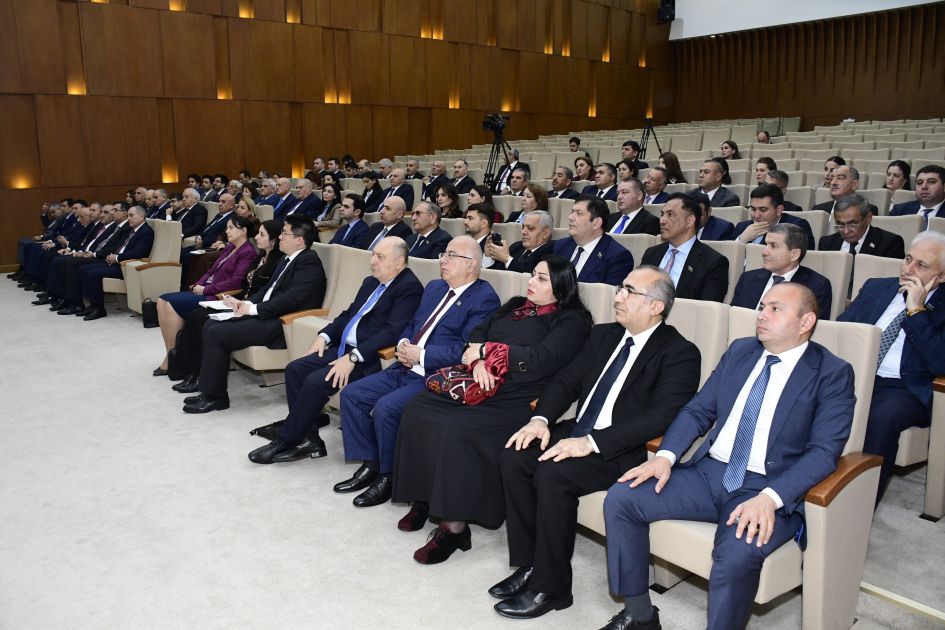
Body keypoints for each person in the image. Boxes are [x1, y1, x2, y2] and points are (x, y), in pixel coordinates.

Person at [600, 282, 855, 630]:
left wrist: (770, 499)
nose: (762, 315)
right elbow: (698, 411)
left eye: (775, 309)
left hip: (766, 486)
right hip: (708, 474)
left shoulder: (832, 373)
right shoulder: (740, 351)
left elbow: (824, 452)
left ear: (806, 321)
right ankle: (640, 615)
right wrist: (665, 458)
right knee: (622, 498)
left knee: (736, 554)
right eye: (762, 307)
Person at [490, 266, 700, 619]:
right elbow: (566, 382)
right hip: (580, 430)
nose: (618, 296)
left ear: (656, 307)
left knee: (553, 474)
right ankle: (530, 565)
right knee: (516, 453)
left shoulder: (680, 352)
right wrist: (541, 420)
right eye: (620, 287)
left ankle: (552, 588)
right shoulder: (604, 335)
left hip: (621, 449)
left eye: (629, 291)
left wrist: (591, 442)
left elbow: (661, 417)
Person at [393, 256, 594, 565]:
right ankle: (426, 498)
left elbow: (541, 359)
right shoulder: (515, 305)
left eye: (542, 279)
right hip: (477, 381)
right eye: (532, 275)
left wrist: (488, 352)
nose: (531, 282)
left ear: (561, 287)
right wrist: (477, 362)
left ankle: (454, 528)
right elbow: (477, 333)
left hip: (519, 396)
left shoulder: (572, 321)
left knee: (456, 429)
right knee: (418, 408)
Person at [334, 236, 501, 507]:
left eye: (451, 255)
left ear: (471, 265)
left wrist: (421, 355)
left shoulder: (484, 298)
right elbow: (413, 324)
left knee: (387, 408)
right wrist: (403, 344)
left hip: (433, 375)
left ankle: (389, 477)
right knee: (352, 395)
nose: (443, 260)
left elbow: (466, 350)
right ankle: (372, 463)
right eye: (443, 254)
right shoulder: (435, 287)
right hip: (404, 365)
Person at [247, 237, 424, 464]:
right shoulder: (371, 282)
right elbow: (348, 314)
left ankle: (286, 440)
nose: (372, 261)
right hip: (343, 348)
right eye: (373, 255)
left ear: (399, 262)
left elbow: (392, 332)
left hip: (367, 358)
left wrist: (353, 357)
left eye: (380, 257)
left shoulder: (409, 288)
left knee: (314, 382)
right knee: (295, 369)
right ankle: (309, 440)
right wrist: (325, 336)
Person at [181, 215, 327, 413]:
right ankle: (209, 391)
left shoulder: (309, 261)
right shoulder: (287, 259)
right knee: (210, 324)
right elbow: (267, 289)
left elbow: (292, 299)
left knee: (216, 332)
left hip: (283, 323)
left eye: (284, 233)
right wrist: (246, 302)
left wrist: (253, 309)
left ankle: (216, 397)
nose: (280, 237)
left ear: (299, 239)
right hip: (268, 314)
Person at [839, 231, 945, 500]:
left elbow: (940, 362)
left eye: (921, 265)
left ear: (942, 276)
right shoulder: (877, 287)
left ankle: (859, 505)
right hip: (857, 372)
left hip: (905, 387)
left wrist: (916, 310)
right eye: (908, 259)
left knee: (880, 417)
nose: (908, 270)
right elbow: (841, 329)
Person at [171, 220, 285, 393]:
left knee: (202, 320)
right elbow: (245, 285)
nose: (256, 237)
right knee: (195, 315)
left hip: (252, 306)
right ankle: (188, 371)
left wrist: (243, 302)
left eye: (262, 234)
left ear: (274, 240)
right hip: (242, 301)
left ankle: (198, 375)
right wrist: (233, 298)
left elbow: (264, 293)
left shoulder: (277, 262)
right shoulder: (261, 257)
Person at [154, 215, 258, 376]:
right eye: (227, 227)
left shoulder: (248, 252)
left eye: (231, 228)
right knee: (162, 301)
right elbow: (211, 271)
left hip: (216, 295)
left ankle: (173, 359)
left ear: (243, 231)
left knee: (169, 303)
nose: (227, 231)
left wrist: (205, 290)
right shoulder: (230, 247)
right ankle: (172, 354)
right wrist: (198, 284)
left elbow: (235, 282)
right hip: (206, 289)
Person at [731, 223, 833, 319]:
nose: (764, 251)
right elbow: (732, 316)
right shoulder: (748, 278)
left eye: (773, 246)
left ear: (794, 255)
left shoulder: (816, 286)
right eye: (766, 244)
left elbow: (810, 326)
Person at [641, 193, 729, 302]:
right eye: (662, 214)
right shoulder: (651, 253)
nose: (662, 221)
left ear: (690, 221)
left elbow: (706, 309)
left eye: (670, 215)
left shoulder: (713, 262)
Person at [818, 193, 905, 298]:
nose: (846, 231)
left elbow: (889, 287)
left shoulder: (890, 243)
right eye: (840, 224)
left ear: (868, 218)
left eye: (852, 224)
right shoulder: (827, 243)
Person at [77, 206, 155, 321]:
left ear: (141, 216)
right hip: (118, 262)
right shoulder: (134, 229)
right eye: (128, 216)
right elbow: (121, 247)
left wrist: (117, 257)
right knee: (84, 269)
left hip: (127, 267)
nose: (128, 218)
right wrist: (112, 256)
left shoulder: (146, 232)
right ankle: (92, 305)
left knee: (93, 273)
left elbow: (138, 253)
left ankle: (99, 309)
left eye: (131, 215)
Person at [553, 196, 634, 285]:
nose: (570, 217)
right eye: (572, 212)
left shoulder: (617, 257)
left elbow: (608, 293)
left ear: (596, 223)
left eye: (579, 213)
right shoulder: (561, 245)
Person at [734, 184, 815, 250]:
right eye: (753, 209)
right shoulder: (742, 227)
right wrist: (741, 240)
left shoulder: (796, 227)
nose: (756, 215)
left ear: (779, 210)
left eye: (763, 210)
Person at [487, 210, 556, 274]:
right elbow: (495, 272)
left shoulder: (552, 250)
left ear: (546, 233)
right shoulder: (517, 246)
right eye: (523, 227)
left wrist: (507, 259)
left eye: (530, 228)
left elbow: (534, 273)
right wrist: (488, 256)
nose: (523, 232)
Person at [812, 165, 878, 215]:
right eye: (832, 179)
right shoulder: (817, 209)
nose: (833, 183)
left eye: (840, 178)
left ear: (854, 184)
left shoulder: (867, 210)